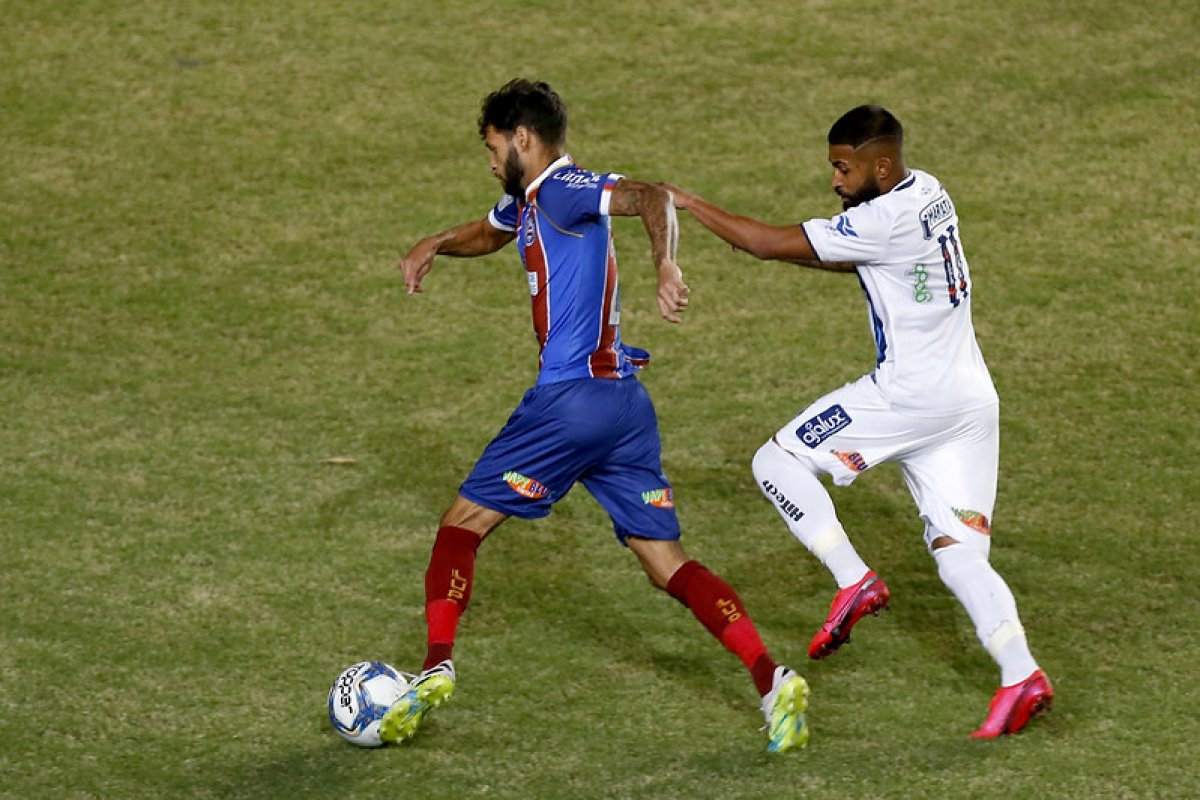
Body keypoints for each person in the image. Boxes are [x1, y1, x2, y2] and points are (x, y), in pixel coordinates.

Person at [380, 79, 810, 752]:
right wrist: (434, 242)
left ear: (522, 139)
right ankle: (772, 678)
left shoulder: (563, 188)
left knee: (460, 527)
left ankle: (434, 667)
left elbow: (651, 195)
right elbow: (491, 232)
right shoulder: (530, 198)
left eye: (494, 148)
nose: (491, 162)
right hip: (624, 409)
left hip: (569, 403)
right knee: (666, 561)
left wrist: (666, 263)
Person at [665, 105, 1053, 738]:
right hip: (970, 402)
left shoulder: (882, 217)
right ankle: (1021, 674)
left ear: (879, 164)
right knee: (959, 555)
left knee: (777, 461)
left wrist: (688, 202)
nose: (836, 181)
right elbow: (855, 255)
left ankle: (854, 580)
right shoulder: (927, 191)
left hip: (908, 397)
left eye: (843, 169)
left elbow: (763, 243)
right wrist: (805, 246)